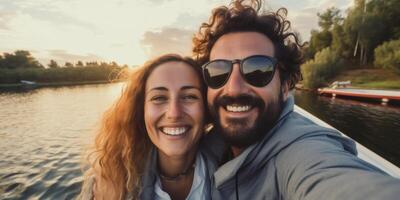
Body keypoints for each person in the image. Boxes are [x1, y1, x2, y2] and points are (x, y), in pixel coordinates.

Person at [192, 0, 400, 199]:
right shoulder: (204, 146)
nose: (234, 88)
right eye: (218, 72)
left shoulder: (303, 153)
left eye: (257, 69)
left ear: (284, 87)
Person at [78, 54, 211, 200]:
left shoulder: (233, 170)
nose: (174, 113)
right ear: (141, 111)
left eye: (189, 96)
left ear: (206, 108)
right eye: (159, 98)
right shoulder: (109, 183)